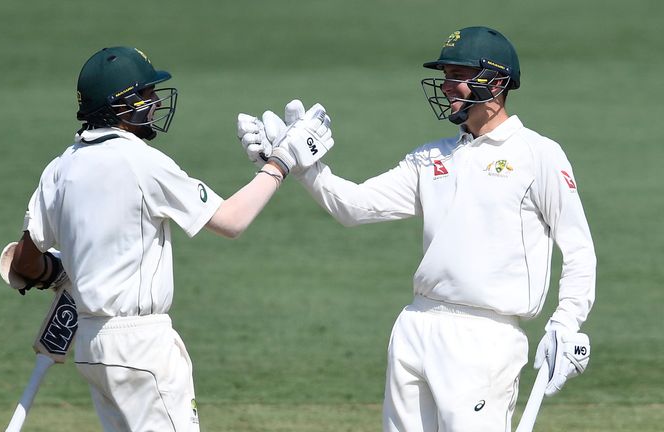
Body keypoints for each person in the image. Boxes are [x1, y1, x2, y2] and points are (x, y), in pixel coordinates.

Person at [239, 26, 595, 431]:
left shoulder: (538, 155)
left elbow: (579, 249)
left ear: (496, 82)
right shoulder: (431, 157)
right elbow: (354, 207)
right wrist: (297, 165)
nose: (446, 87)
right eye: (445, 76)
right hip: (416, 325)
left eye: (457, 75)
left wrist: (566, 322)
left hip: (485, 339)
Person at [4, 46, 332, 432]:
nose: (156, 102)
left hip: (92, 347)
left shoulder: (60, 167)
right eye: (145, 95)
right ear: (119, 105)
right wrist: (280, 163)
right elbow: (231, 220)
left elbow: (24, 261)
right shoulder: (142, 162)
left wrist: (58, 274)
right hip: (141, 347)